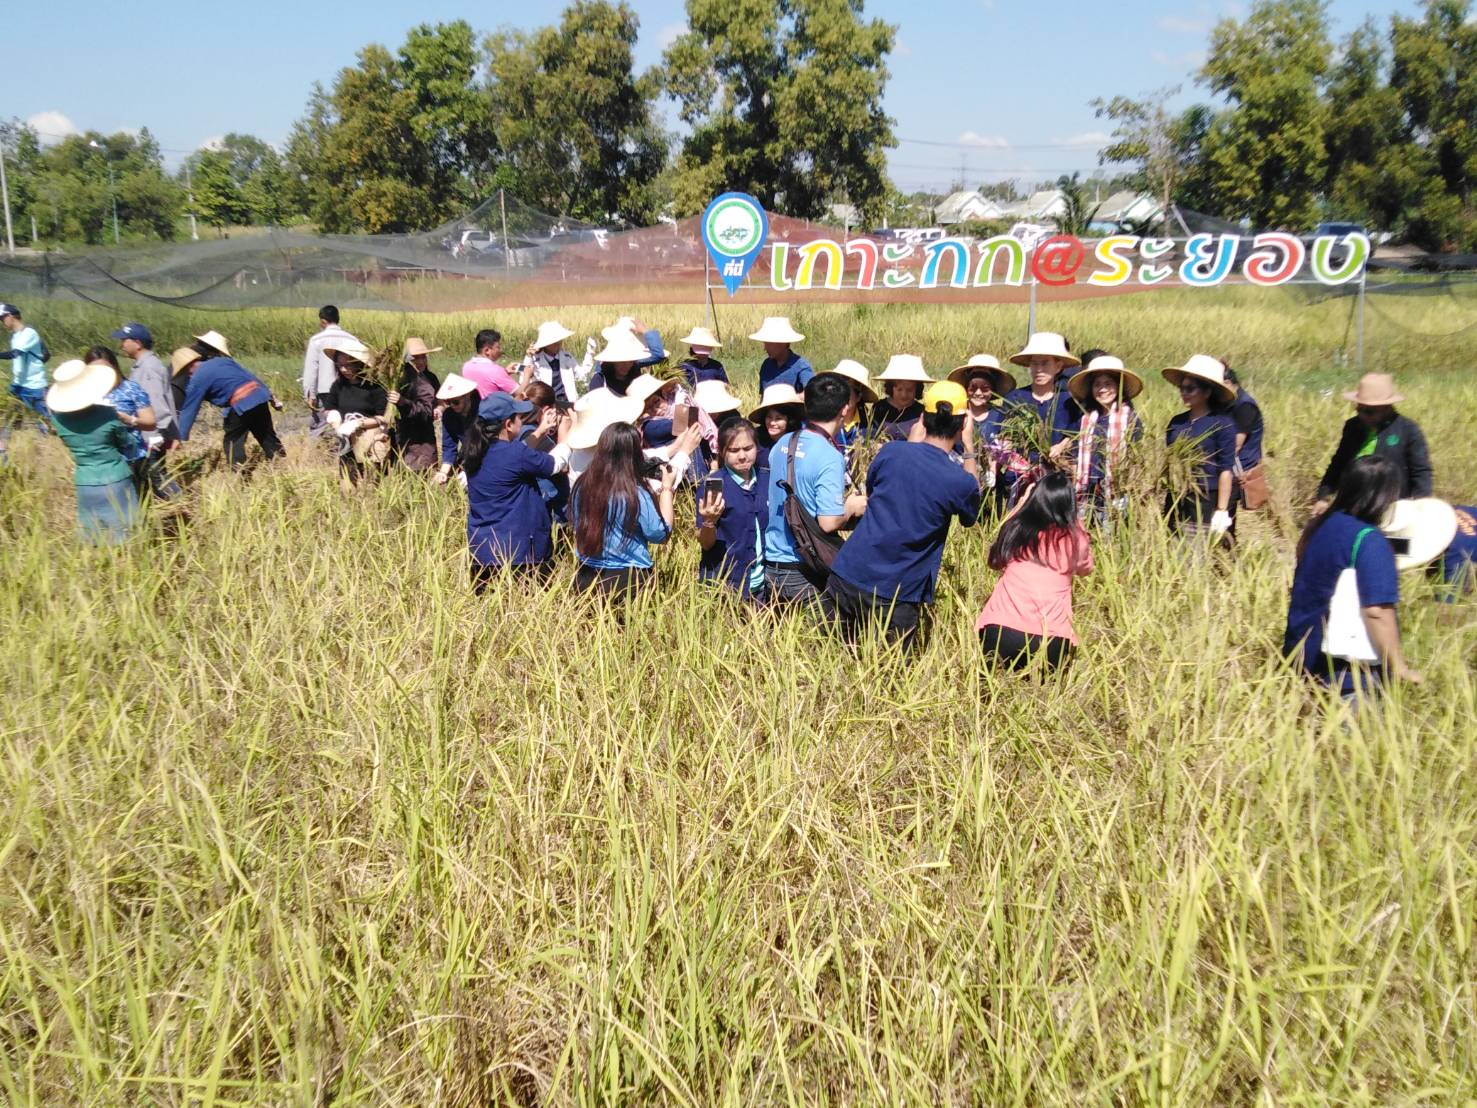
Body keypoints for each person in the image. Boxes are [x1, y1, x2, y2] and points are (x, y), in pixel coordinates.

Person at [825, 381, 981, 649]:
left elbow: (875, 493)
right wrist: (969, 449)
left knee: (833, 663)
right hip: (895, 594)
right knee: (892, 678)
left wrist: (911, 445)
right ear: (962, 425)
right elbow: (970, 514)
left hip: (846, 576)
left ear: (922, 418)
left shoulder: (890, 452)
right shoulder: (960, 481)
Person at [1283, 455, 1419, 696]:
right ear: (1386, 496)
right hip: (1348, 674)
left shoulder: (1319, 525)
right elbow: (1377, 612)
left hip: (1302, 653)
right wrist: (1398, 667)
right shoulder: (1369, 540)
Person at [762, 374, 869, 605]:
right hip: (805, 569)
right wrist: (851, 506)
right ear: (845, 409)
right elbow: (828, 522)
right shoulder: (829, 456)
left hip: (772, 563)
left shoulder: (784, 443)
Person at [975, 471, 1092, 672]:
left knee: (988, 692)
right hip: (1051, 642)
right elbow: (1086, 569)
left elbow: (994, 561)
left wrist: (1020, 506)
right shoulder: (1076, 537)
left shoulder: (1018, 527)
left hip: (1001, 633)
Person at [462, 392, 573, 590]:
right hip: (520, 555)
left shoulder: (475, 450)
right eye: (519, 417)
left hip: (483, 551)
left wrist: (540, 431)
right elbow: (555, 464)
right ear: (508, 424)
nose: (522, 420)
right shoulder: (515, 454)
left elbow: (518, 455)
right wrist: (565, 434)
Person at [570, 422, 675, 597]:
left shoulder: (582, 485)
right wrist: (666, 489)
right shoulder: (635, 492)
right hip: (628, 579)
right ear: (635, 453)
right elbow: (660, 534)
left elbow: (577, 524)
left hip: (586, 575)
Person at [45, 360, 140, 544]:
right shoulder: (108, 414)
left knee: (94, 536)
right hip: (115, 476)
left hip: (85, 481)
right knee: (126, 534)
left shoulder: (58, 421)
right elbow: (127, 443)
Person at [1315, 373, 1432, 507]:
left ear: (1387, 408)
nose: (1363, 416)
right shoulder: (1352, 427)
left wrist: (1420, 507)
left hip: (1391, 505)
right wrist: (1323, 497)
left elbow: (1421, 472)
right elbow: (1338, 463)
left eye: (1369, 412)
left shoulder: (1408, 430)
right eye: (1359, 409)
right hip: (1353, 503)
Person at [175, 330, 285, 468]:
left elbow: (189, 409)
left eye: (185, 371)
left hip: (241, 403)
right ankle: (282, 466)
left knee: (233, 442)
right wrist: (272, 398)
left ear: (189, 365)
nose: (187, 375)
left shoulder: (198, 378)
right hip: (259, 397)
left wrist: (179, 436)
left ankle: (242, 476)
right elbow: (251, 377)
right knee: (266, 436)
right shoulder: (225, 361)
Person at [994, 332, 1081, 499]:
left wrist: (1061, 446)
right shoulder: (1015, 398)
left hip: (1057, 481)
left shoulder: (1069, 401)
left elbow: (1075, 435)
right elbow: (1004, 435)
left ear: (1058, 366)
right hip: (1021, 478)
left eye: (1045, 363)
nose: (1039, 370)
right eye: (1034, 364)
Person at [1061, 355, 1144, 525]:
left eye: (1108, 384)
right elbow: (1075, 455)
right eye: (1097, 384)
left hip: (1115, 492)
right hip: (1087, 492)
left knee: (1110, 542)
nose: (1102, 389)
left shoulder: (1129, 419)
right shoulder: (1085, 419)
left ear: (1118, 386)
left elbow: (1136, 459)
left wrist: (1127, 487)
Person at [1162, 354, 1238, 539]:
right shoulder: (1177, 423)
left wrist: (1221, 509)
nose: (1184, 392)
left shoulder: (1222, 424)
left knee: (1196, 551)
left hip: (1205, 498)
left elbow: (1226, 470)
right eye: (1182, 387)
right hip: (1177, 497)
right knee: (1173, 545)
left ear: (1207, 392)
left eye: (1190, 388)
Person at [696, 418, 770, 600]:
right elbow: (706, 544)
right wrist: (709, 522)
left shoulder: (767, 479)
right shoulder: (714, 486)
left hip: (764, 585)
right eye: (734, 450)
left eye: (748, 448)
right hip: (725, 584)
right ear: (722, 451)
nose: (743, 456)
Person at [83, 346, 156, 493]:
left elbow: (150, 422)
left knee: (135, 506)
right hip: (99, 461)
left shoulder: (130, 389)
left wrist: (129, 419)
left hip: (131, 459)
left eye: (105, 369)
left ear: (114, 366)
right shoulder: (84, 392)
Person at [322, 339, 391, 485]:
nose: (344, 370)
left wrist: (359, 423)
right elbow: (329, 408)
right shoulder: (338, 386)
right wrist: (334, 419)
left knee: (373, 482)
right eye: (340, 365)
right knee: (349, 482)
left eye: (348, 365)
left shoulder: (374, 386)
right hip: (346, 441)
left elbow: (383, 417)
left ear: (359, 364)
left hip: (370, 441)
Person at [949, 354, 1015, 503]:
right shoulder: (957, 413)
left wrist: (993, 469)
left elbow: (1006, 446)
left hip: (991, 486)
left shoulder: (1000, 416)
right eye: (973, 388)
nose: (978, 393)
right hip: (958, 479)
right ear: (966, 389)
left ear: (993, 391)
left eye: (985, 389)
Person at [302, 306, 358, 437]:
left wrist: (310, 394)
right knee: (346, 422)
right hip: (347, 388)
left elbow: (312, 368)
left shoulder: (316, 340)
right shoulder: (351, 339)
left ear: (323, 321)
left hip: (325, 390)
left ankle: (315, 454)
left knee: (319, 425)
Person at [394, 338, 442, 472]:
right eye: (416, 358)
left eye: (423, 357)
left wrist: (439, 408)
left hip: (425, 434)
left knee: (425, 470)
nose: (421, 362)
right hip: (407, 435)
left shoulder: (430, 377)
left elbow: (439, 401)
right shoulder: (401, 379)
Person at [1, 303, 51, 428]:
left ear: (11, 316)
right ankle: (6, 446)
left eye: (2, 318)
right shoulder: (15, 336)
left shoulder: (29, 333)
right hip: (18, 385)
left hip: (35, 387)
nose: (2, 322)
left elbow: (15, 354)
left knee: (45, 423)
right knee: (11, 421)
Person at [519, 320, 585, 408]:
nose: (557, 344)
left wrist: (589, 354)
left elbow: (581, 375)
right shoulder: (534, 359)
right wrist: (528, 357)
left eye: (559, 340)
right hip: (544, 404)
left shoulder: (567, 356)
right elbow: (523, 379)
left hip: (567, 402)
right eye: (554, 342)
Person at [815, 360, 877, 451]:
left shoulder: (869, 427)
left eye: (847, 392)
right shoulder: (819, 419)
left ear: (858, 397)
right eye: (836, 389)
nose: (840, 395)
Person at [866, 355, 931, 440]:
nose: (904, 395)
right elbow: (870, 437)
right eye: (899, 390)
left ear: (917, 389)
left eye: (909, 390)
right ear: (891, 388)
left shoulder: (921, 412)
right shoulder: (879, 409)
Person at [588, 324, 664, 396]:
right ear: (612, 360)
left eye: (630, 361)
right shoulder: (600, 378)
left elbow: (658, 355)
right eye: (621, 361)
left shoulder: (635, 365)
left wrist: (645, 331)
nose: (626, 365)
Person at [1223, 364, 1264, 493]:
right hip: (1233, 464)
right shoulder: (1231, 401)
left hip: (1241, 467)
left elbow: (1236, 445)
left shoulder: (1244, 405)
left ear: (1228, 383)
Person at [434, 373, 479, 485]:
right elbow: (449, 446)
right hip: (468, 457)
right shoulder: (449, 416)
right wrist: (443, 472)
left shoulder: (482, 412)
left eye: (455, 402)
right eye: (448, 402)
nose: (452, 406)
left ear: (467, 395)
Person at [749, 384, 804, 473]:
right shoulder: (755, 438)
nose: (772, 423)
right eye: (769, 417)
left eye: (778, 418)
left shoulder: (800, 440)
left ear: (789, 420)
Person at [751, 317, 813, 391]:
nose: (765, 348)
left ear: (782, 343)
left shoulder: (802, 367)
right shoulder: (766, 365)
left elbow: (811, 395)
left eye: (769, 344)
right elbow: (764, 397)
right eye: (765, 344)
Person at [461, 328, 519, 399]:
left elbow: (486, 380)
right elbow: (519, 393)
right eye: (498, 347)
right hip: (495, 409)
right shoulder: (496, 371)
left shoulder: (466, 366)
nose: (501, 350)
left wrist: (505, 372)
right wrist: (527, 375)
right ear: (487, 350)